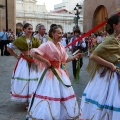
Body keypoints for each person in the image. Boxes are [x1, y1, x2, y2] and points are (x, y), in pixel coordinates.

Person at [27, 25, 81, 119]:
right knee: (50, 94)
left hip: (61, 73)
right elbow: (34, 53)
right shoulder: (47, 44)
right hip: (50, 74)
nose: (61, 35)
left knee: (62, 94)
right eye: (59, 33)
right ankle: (48, 115)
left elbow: (65, 59)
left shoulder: (60, 45)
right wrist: (46, 61)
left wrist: (75, 57)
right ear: (53, 34)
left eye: (61, 33)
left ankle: (61, 114)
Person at [80, 14, 120, 119]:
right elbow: (93, 56)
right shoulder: (110, 39)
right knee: (109, 100)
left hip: (116, 73)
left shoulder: (116, 39)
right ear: (115, 26)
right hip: (111, 76)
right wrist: (110, 64)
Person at [7, 23, 40, 108]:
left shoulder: (35, 40)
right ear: (24, 29)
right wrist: (16, 56)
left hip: (33, 62)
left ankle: (31, 98)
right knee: (25, 79)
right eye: (29, 29)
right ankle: (25, 100)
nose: (30, 30)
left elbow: (40, 50)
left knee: (33, 79)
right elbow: (9, 48)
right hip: (24, 62)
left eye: (31, 29)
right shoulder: (19, 40)